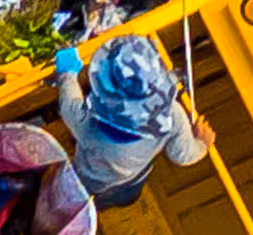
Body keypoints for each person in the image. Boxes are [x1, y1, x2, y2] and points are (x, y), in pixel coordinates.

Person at [56, 35, 217, 208]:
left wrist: (68, 72)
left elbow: (69, 105)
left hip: (88, 184)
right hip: (132, 183)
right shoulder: (172, 114)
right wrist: (203, 143)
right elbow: (183, 155)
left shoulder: (94, 128)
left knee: (66, 201)